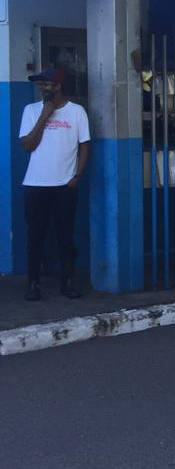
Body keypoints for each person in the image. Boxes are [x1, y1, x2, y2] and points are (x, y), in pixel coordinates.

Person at [18, 66, 90, 301]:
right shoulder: (31, 110)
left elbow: (85, 146)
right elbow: (28, 145)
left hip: (64, 186)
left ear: (58, 86)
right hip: (35, 184)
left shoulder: (77, 112)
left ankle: (67, 283)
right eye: (39, 84)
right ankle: (33, 285)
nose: (42, 88)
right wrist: (44, 116)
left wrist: (76, 177)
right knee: (35, 237)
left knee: (65, 237)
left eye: (46, 84)